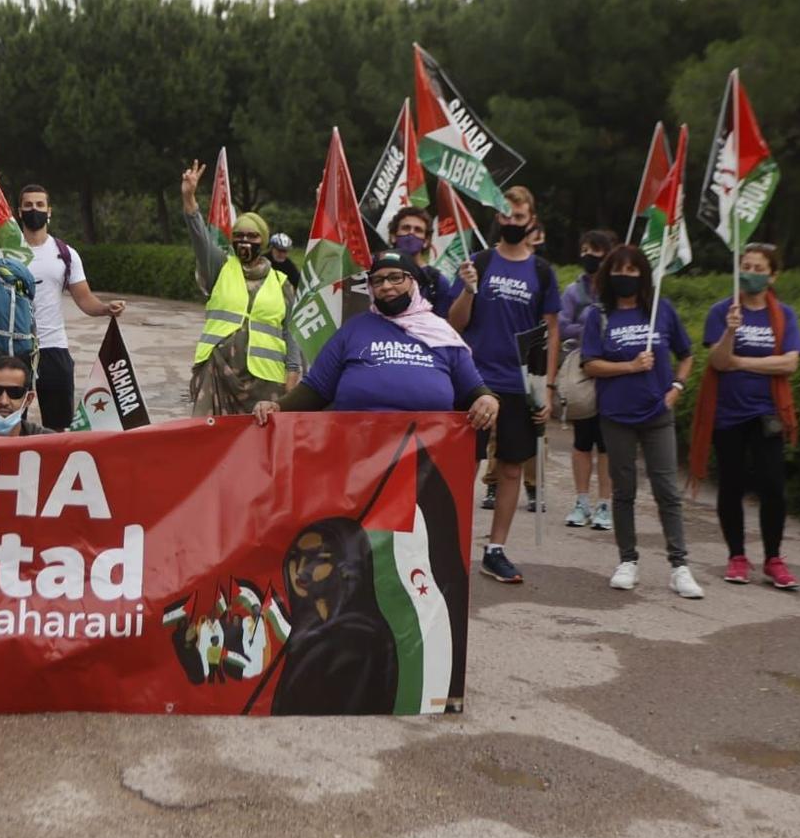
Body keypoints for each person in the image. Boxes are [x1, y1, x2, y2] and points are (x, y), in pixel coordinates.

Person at [447, 185, 558, 585]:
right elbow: (455, 324)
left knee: (511, 468)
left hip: (520, 384)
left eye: (519, 216)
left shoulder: (542, 271)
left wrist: (548, 387)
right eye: (506, 215)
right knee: (464, 467)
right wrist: (468, 289)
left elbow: (550, 330)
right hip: (475, 380)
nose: (512, 222)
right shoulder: (480, 261)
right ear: (498, 217)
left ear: (532, 220)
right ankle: (451, 546)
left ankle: (495, 550)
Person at [252, 252, 498, 429]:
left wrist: (486, 400)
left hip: (426, 464)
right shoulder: (354, 330)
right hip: (358, 458)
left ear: (413, 282)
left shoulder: (442, 333)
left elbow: (474, 390)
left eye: (395, 277)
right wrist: (278, 407)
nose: (386, 286)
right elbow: (316, 388)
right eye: (378, 280)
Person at [580, 244, 702, 598]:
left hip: (657, 415)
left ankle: (679, 566)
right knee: (624, 491)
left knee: (667, 491)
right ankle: (627, 560)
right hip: (616, 416)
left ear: (644, 276)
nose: (625, 276)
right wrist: (630, 366)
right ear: (608, 274)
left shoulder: (661, 310)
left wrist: (677, 387)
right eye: (619, 270)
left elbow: (688, 354)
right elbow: (590, 364)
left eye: (633, 271)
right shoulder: (598, 315)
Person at [693, 243, 800, 590]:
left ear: (772, 275)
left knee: (773, 486)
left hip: (767, 413)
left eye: (759, 268)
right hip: (728, 414)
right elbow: (717, 362)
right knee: (732, 485)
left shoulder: (784, 315)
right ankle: (737, 556)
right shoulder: (722, 311)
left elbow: (789, 363)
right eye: (746, 266)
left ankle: (774, 558)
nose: (751, 274)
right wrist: (730, 332)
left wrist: (742, 362)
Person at [178, 160, 301, 417]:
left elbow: (291, 334)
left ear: (263, 241)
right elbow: (199, 237)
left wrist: (293, 372)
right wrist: (189, 199)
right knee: (209, 445)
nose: (245, 241)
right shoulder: (220, 267)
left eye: (253, 236)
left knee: (261, 451)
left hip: (266, 382)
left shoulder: (281, 282)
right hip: (217, 373)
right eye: (239, 236)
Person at [13, 184, 125, 430]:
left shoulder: (65, 254)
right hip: (14, 348)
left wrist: (106, 308)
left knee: (59, 428)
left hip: (54, 348)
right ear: (19, 211)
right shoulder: (4, 251)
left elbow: (84, 299)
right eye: (29, 205)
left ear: (49, 211)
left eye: (40, 205)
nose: (35, 210)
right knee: (9, 425)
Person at [557, 229, 618, 532]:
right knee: (583, 440)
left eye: (595, 250)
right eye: (584, 249)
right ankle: (581, 501)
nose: (589, 256)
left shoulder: (618, 291)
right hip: (582, 372)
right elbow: (561, 325)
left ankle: (605, 503)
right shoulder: (572, 292)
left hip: (613, 373)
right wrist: (590, 328)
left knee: (606, 444)